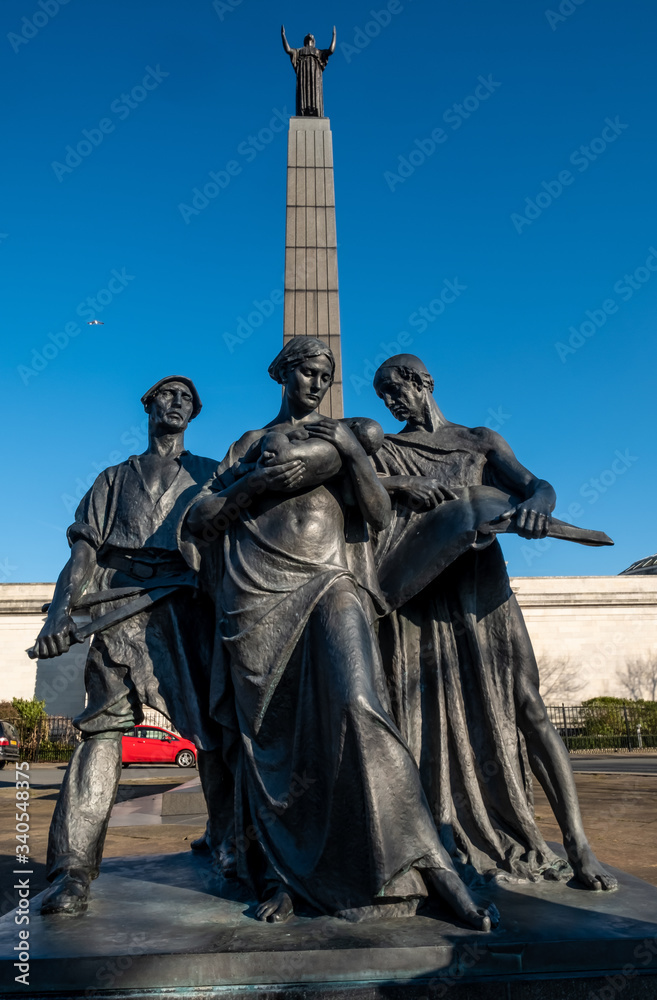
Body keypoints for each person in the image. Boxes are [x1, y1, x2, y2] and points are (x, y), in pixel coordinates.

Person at [187, 336, 499, 929]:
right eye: (307, 372)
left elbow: (379, 515)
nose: (316, 384)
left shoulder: (345, 434)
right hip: (255, 597)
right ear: (282, 373)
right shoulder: (250, 444)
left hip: (332, 582)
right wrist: (253, 483)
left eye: (325, 375)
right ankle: (285, 876)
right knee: (273, 740)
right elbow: (202, 518)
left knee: (360, 704)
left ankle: (433, 867)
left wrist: (351, 456)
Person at [372, 354, 617, 892]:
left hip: (485, 594)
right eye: (382, 396)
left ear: (422, 382)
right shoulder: (386, 450)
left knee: (529, 707)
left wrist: (539, 508)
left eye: (394, 389)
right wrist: (396, 486)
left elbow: (537, 484)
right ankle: (429, 839)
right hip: (424, 603)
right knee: (417, 716)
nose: (390, 403)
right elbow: (359, 490)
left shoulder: (480, 441)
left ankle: (579, 846)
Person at [31, 377, 230, 914]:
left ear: (195, 413)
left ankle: (231, 845)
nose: (178, 403)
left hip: (187, 612)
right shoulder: (114, 479)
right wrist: (57, 614)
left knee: (213, 734)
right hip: (118, 614)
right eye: (168, 394)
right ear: (148, 405)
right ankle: (71, 871)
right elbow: (83, 557)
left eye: (188, 398)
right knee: (101, 735)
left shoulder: (211, 474)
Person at [281, 25, 336, 117]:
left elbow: (331, 50)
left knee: (315, 93)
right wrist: (283, 35)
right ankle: (304, 109)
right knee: (304, 93)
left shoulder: (318, 52)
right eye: (308, 35)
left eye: (311, 35)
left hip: (315, 76)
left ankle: (315, 109)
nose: (309, 34)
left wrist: (334, 35)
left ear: (314, 41)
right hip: (303, 76)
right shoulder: (298, 51)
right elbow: (288, 50)